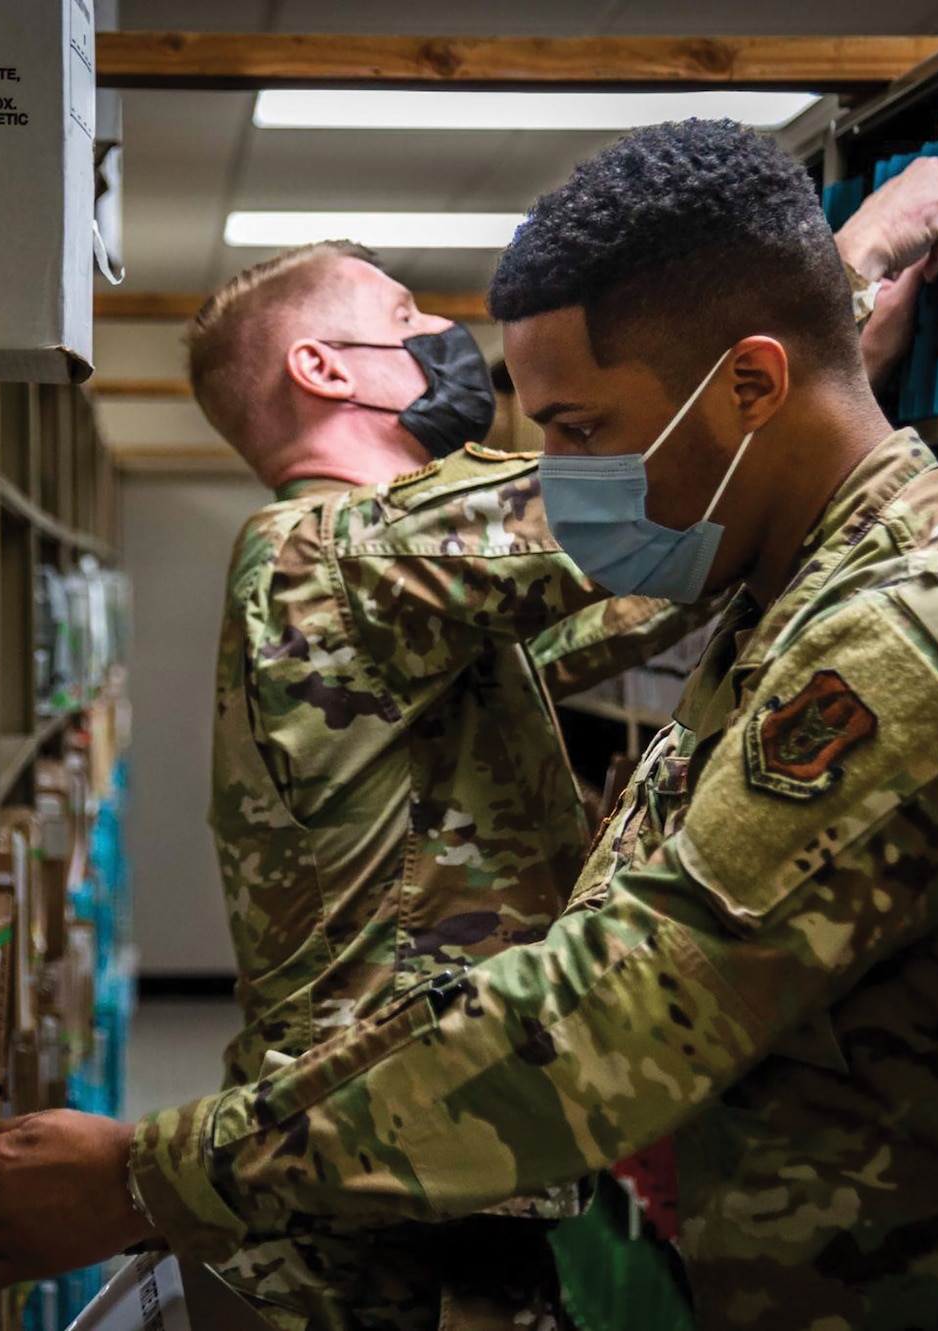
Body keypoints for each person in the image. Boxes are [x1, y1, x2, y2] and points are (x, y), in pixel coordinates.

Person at [0, 121, 938, 1331]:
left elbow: (615, 1008)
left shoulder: (922, 626)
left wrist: (151, 1172)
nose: (562, 474)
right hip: (434, 1148)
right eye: (552, 432)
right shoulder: (341, 547)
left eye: (581, 429)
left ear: (748, 387)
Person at [177, 239, 712, 1331]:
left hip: (401, 1176)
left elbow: (650, 580)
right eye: (405, 311)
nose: (438, 333)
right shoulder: (337, 552)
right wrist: (831, 288)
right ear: (326, 368)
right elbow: (651, 496)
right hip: (377, 1211)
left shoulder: (389, 599)